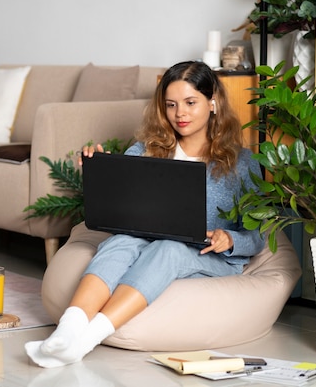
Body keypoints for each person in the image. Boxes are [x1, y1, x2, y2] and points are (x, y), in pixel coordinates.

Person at [24, 61, 265, 368]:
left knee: (171, 248)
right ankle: (68, 331)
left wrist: (229, 238)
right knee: (121, 240)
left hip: (211, 256)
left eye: (191, 103)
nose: (180, 114)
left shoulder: (243, 163)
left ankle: (85, 340)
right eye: (171, 105)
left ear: (213, 102)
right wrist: (98, 173)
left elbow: (261, 233)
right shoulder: (144, 150)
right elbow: (117, 210)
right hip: (144, 239)